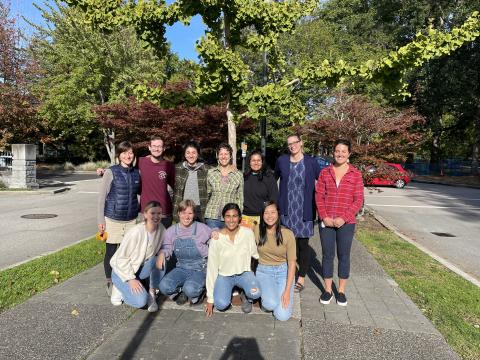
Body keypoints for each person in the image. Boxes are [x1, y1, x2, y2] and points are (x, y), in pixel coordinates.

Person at [315, 139, 364, 306]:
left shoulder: (355, 174)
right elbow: (319, 196)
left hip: (347, 223)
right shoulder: (325, 172)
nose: (340, 154)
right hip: (327, 222)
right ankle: (328, 290)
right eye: (337, 151)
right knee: (327, 256)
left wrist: (344, 217)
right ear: (333, 153)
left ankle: (341, 291)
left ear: (349, 154)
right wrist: (324, 216)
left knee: (344, 256)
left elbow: (358, 200)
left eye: (344, 151)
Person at [275, 134, 320, 293]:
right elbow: (273, 181)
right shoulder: (282, 161)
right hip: (287, 210)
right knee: (286, 243)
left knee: (302, 245)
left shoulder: (311, 162)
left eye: (295, 142)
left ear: (301, 143)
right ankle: (287, 273)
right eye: (289, 144)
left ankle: (301, 278)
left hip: (304, 210)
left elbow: (322, 183)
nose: (292, 146)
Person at [97, 141, 140, 296]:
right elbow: (102, 198)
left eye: (130, 152)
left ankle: (123, 279)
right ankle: (110, 281)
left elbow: (139, 194)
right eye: (124, 153)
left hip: (131, 220)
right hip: (112, 219)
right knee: (111, 251)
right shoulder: (111, 172)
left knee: (127, 253)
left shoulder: (136, 173)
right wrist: (100, 221)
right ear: (119, 155)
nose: (128, 156)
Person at [205, 203, 260, 316]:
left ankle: (245, 295)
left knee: (256, 293)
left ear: (239, 218)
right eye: (228, 216)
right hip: (225, 276)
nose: (231, 220)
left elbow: (255, 255)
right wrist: (210, 299)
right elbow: (211, 269)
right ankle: (228, 291)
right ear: (223, 218)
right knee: (220, 305)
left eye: (234, 216)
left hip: (244, 273)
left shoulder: (248, 233)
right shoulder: (216, 239)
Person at [110, 201, 166, 312]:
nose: (156, 216)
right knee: (141, 302)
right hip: (122, 271)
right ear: (145, 214)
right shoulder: (135, 232)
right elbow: (121, 259)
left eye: (159, 213)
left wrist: (162, 252)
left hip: (139, 269)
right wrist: (130, 279)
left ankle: (152, 292)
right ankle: (119, 287)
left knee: (160, 259)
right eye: (152, 213)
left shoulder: (161, 229)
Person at [157, 199, 212, 305]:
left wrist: (215, 232)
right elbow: (167, 247)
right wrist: (162, 254)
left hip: (200, 268)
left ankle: (198, 292)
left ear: (194, 214)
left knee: (191, 289)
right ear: (178, 213)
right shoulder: (171, 231)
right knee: (164, 286)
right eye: (183, 213)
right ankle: (181, 291)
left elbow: (213, 232)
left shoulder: (201, 228)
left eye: (190, 213)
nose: (187, 217)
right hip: (181, 267)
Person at [255, 201, 296, 321]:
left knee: (282, 316)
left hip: (283, 271)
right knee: (270, 304)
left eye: (273, 212)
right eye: (266, 213)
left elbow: (292, 263)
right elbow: (238, 233)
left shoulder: (288, 234)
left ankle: (274, 295)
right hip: (264, 271)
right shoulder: (256, 230)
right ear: (262, 215)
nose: (269, 216)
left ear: (278, 214)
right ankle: (268, 299)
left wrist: (287, 291)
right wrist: (217, 232)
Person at [138, 136, 175, 228]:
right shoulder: (141, 162)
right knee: (146, 242)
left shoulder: (169, 165)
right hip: (146, 212)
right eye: (154, 146)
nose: (156, 149)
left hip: (164, 213)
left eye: (159, 146)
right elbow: (123, 167)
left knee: (164, 242)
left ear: (164, 148)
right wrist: (105, 170)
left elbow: (177, 186)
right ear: (149, 147)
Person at [204, 143, 243, 229]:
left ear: (230, 156)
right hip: (212, 216)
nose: (223, 156)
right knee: (214, 241)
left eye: (226, 154)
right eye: (221, 154)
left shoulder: (238, 174)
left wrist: (238, 215)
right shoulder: (211, 173)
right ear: (217, 156)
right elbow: (207, 193)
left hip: (230, 217)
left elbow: (240, 198)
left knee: (228, 242)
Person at [172, 141, 210, 222]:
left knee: (200, 233)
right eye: (188, 153)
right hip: (184, 208)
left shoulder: (206, 169)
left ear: (198, 154)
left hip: (200, 208)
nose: (191, 155)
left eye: (194, 153)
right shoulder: (177, 168)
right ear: (185, 154)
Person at [242, 150, 278, 228]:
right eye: (253, 160)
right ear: (249, 162)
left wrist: (270, 216)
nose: (256, 163)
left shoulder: (269, 178)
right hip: (245, 218)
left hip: (263, 218)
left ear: (262, 162)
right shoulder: (244, 177)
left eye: (259, 160)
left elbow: (274, 198)